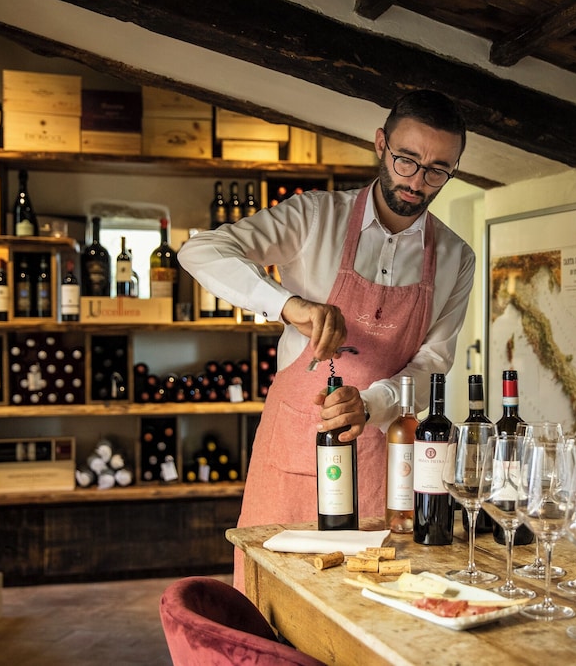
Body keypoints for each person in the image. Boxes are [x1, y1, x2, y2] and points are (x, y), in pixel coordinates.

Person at [178, 89, 475, 585]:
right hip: (294, 446)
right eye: (406, 160)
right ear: (380, 144)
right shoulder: (315, 217)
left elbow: (433, 364)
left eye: (437, 170)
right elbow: (200, 251)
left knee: (370, 598)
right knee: (273, 597)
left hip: (382, 454)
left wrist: (372, 404)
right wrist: (287, 304)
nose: (416, 181)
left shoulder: (456, 257)